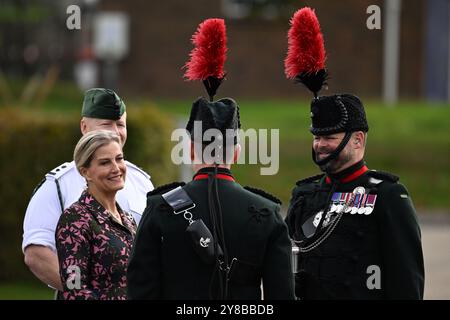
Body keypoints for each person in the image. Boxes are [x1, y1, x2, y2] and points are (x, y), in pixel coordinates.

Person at [127, 18, 294, 300]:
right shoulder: (267, 213)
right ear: (237, 152)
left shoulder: (160, 208)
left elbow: (140, 292)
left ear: (190, 150)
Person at [285, 93, 425, 299]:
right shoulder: (304, 195)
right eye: (317, 137)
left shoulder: (388, 195)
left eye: (329, 137)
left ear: (357, 140)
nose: (320, 144)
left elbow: (406, 279)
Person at [22, 88, 154, 292]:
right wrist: (84, 291)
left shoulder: (141, 181)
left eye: (120, 124)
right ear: (84, 126)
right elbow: (36, 253)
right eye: (106, 124)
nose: (115, 132)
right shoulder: (58, 184)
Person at [56, 130, 136, 299]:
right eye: (105, 162)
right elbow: (74, 289)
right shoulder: (75, 220)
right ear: (85, 172)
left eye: (119, 158)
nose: (116, 168)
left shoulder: (127, 219)